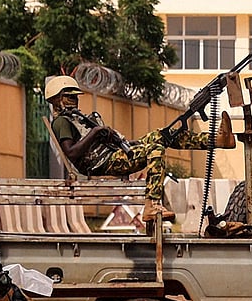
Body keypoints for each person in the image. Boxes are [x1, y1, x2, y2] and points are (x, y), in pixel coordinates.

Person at [45, 75, 235, 223]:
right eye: (69, 96)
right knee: (155, 149)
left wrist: (114, 138)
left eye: (75, 97)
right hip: (102, 164)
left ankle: (216, 140)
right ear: (57, 99)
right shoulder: (62, 122)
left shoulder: (80, 118)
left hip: (114, 154)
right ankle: (152, 205)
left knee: (162, 134)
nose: (74, 101)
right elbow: (71, 152)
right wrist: (96, 132)